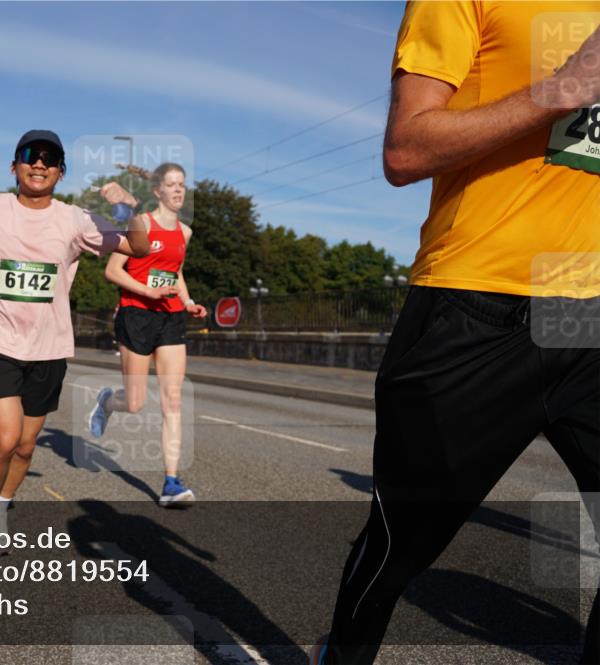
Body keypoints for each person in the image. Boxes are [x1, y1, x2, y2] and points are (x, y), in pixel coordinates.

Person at [312, 7, 599, 665]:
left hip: (588, 310)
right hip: (478, 304)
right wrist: (567, 87)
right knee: (397, 548)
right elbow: (406, 149)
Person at [0, 130, 150, 563]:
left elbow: (138, 246)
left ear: (59, 171)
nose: (39, 164)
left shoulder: (75, 220)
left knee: (25, 445)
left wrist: (132, 207)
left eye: (50, 159)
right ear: (14, 166)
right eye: (30, 156)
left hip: (49, 346)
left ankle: (0, 508)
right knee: (5, 437)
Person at [88, 163, 207, 507]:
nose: (178, 191)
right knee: (136, 403)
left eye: (182, 185)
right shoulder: (140, 225)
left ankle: (171, 482)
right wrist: (147, 292)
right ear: (157, 191)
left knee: (173, 402)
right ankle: (108, 401)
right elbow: (112, 271)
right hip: (136, 316)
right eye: (171, 185)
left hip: (170, 319)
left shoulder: (184, 232)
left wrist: (187, 301)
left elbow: (176, 271)